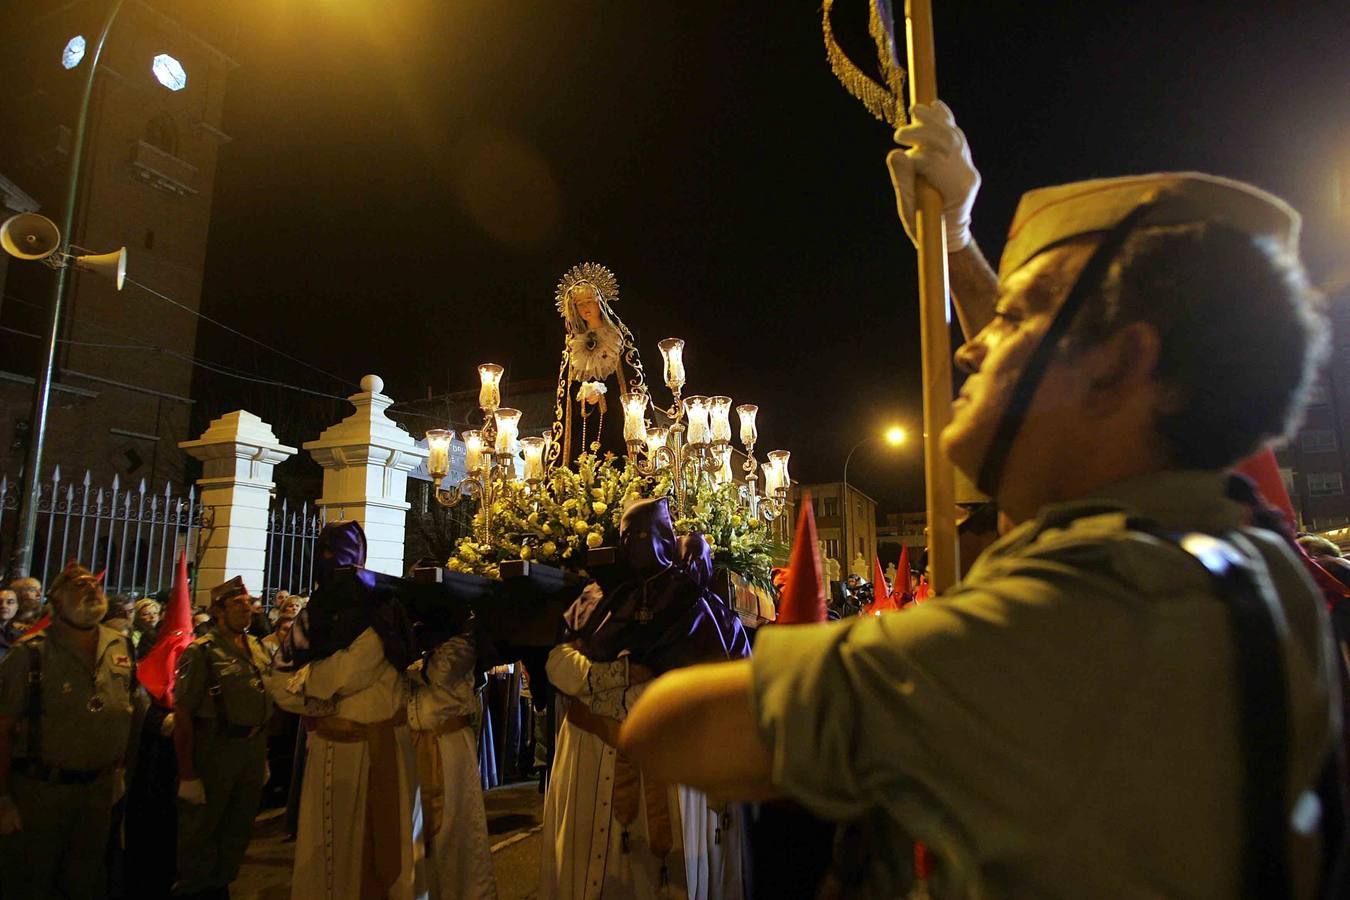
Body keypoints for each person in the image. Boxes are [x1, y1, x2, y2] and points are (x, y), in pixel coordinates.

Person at [619, 102, 1343, 897]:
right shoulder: (1251, 561)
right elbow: (1059, 433)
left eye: (1019, 315)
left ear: (1120, 367)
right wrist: (956, 243)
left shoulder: (1081, 618)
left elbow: (678, 729)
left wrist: (666, 619)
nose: (971, 345)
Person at [540, 498, 748, 899]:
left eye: (646, 536)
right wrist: (611, 677)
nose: (638, 546)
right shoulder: (595, 599)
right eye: (629, 537)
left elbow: (723, 676)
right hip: (596, 755)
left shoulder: (700, 605)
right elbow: (561, 661)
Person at [272, 520, 425, 900]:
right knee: (325, 857)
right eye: (326, 553)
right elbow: (279, 682)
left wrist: (313, 686)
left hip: (375, 752)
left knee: (377, 855)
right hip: (327, 749)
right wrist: (317, 693)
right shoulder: (312, 615)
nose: (332, 563)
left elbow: (348, 672)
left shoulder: (381, 612)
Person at [0, 562, 137, 900]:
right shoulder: (30, 653)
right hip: (41, 792)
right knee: (31, 881)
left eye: (94, 584)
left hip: (97, 790)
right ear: (57, 601)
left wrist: (117, 770)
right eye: (79, 586)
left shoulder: (120, 646)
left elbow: (122, 711)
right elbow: (2, 729)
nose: (91, 589)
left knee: (87, 880)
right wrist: (2, 799)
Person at [172, 575, 273, 898]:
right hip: (216, 750)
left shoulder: (257, 647)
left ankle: (222, 884)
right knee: (203, 832)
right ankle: (195, 889)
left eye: (248, 603)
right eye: (237, 604)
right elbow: (184, 714)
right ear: (218, 611)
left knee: (238, 829)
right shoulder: (202, 652)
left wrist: (264, 754)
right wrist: (187, 773)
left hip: (251, 750)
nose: (247, 609)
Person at [407, 617, 497, 899]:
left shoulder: (464, 643)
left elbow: (439, 673)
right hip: (414, 746)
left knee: (456, 837)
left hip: (450, 748)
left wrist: (416, 656)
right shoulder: (415, 640)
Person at [549, 262, 651, 467]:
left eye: (589, 301)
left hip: (617, 420)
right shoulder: (573, 345)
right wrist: (583, 397)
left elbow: (630, 385)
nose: (585, 308)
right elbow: (566, 396)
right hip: (585, 424)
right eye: (579, 304)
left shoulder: (618, 338)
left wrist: (606, 395)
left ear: (600, 302)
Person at [0, 588, 20, 660]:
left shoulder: (19, 633)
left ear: (17, 607)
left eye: (10, 602)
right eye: (0, 602)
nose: (4, 606)